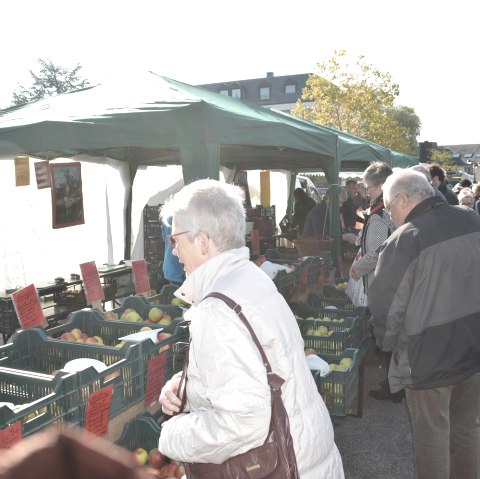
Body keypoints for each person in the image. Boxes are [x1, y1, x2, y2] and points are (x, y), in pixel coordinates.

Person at [157, 179, 344, 478]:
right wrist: (188, 386)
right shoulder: (250, 279)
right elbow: (255, 367)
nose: (175, 251)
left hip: (286, 467)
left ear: (202, 241)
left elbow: (243, 422)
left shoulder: (217, 310)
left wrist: (173, 434)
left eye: (175, 239)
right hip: (308, 458)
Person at [368, 168, 480, 479]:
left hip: (428, 358)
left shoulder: (405, 239)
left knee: (432, 439)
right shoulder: (472, 219)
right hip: (473, 348)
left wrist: (389, 346)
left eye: (389, 208)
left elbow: (385, 306)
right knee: (467, 429)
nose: (390, 217)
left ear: (403, 199)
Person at [344, 162, 399, 402]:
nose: (366, 191)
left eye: (368, 186)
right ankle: (395, 383)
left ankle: (393, 386)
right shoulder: (385, 211)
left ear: (379, 186)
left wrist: (358, 267)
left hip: (380, 281)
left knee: (388, 335)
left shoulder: (378, 215)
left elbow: (376, 250)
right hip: (389, 279)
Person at [161, 218, 185, 285]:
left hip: (169, 266)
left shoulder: (167, 216)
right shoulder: (187, 214)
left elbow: (164, 238)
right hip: (179, 268)